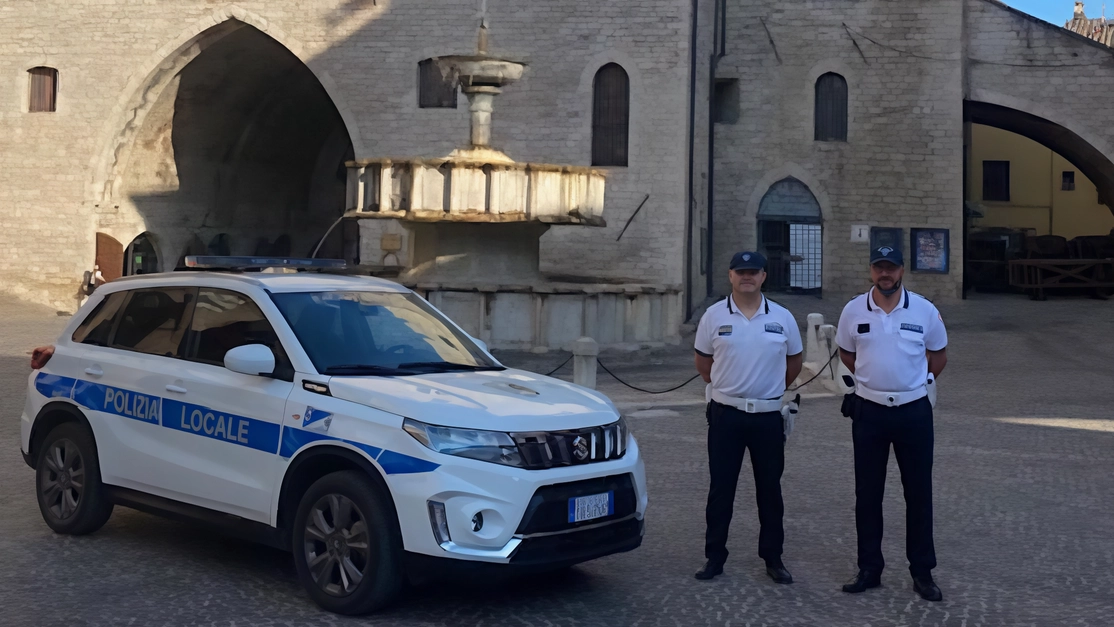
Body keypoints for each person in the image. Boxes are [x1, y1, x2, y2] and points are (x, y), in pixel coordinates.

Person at [835, 246, 948, 602]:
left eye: (892, 268)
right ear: (871, 270)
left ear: (902, 270)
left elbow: (938, 355)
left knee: (918, 493)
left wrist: (914, 382)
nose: (886, 274)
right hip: (870, 411)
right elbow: (847, 353)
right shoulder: (853, 310)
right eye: (879, 268)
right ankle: (869, 568)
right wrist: (873, 380)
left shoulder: (925, 310)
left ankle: (922, 571)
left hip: (914, 412)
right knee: (867, 493)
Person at [693, 251, 803, 583]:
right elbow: (703, 363)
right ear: (730, 276)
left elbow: (794, 362)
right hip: (726, 416)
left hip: (767, 418)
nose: (747, 277)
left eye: (753, 272)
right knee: (721, 489)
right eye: (741, 271)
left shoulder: (782, 317)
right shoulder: (713, 316)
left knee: (770, 490)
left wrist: (767, 390)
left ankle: (773, 557)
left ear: (763, 276)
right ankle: (714, 557)